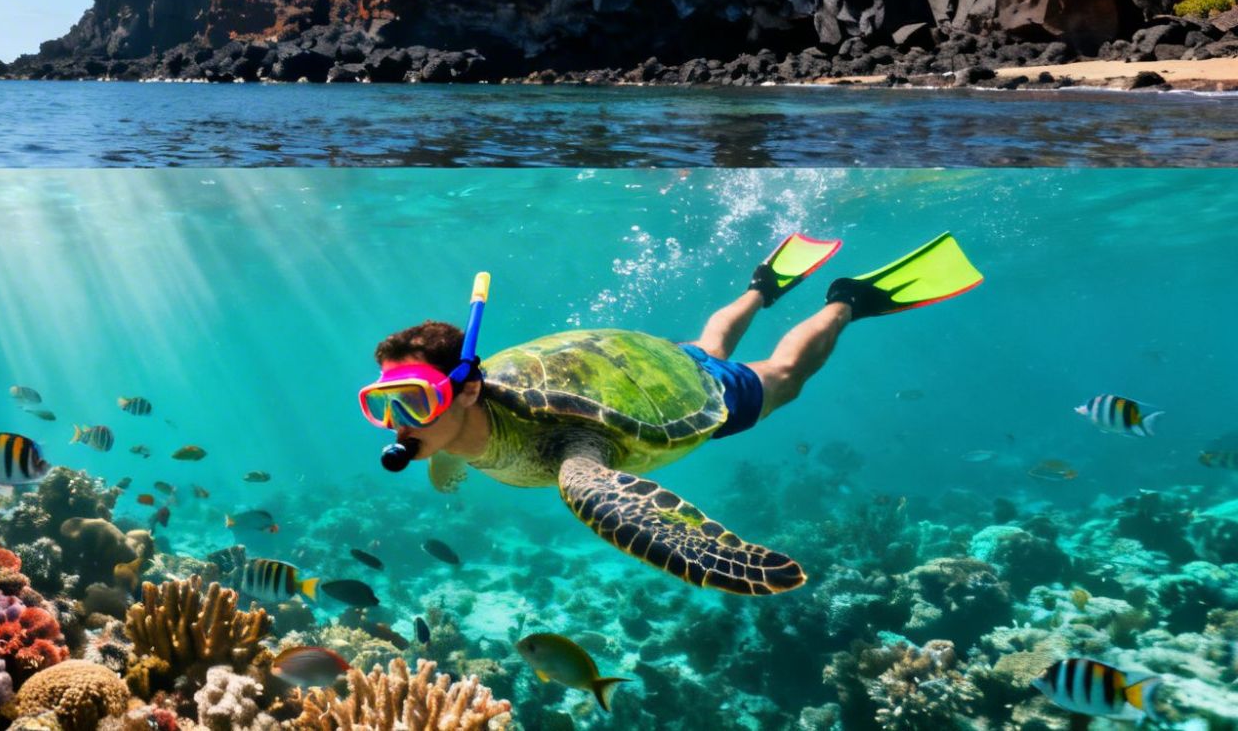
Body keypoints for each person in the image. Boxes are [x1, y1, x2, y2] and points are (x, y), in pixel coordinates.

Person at [359, 234, 982, 596]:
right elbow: (438, 449)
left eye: (413, 401)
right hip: (639, 359)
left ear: (466, 392)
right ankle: (763, 286)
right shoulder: (434, 433)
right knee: (706, 345)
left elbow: (598, 487)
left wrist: (711, 556)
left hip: (669, 391)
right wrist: (439, 460)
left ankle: (848, 299)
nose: (398, 422)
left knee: (782, 379)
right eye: (384, 403)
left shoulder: (566, 452)